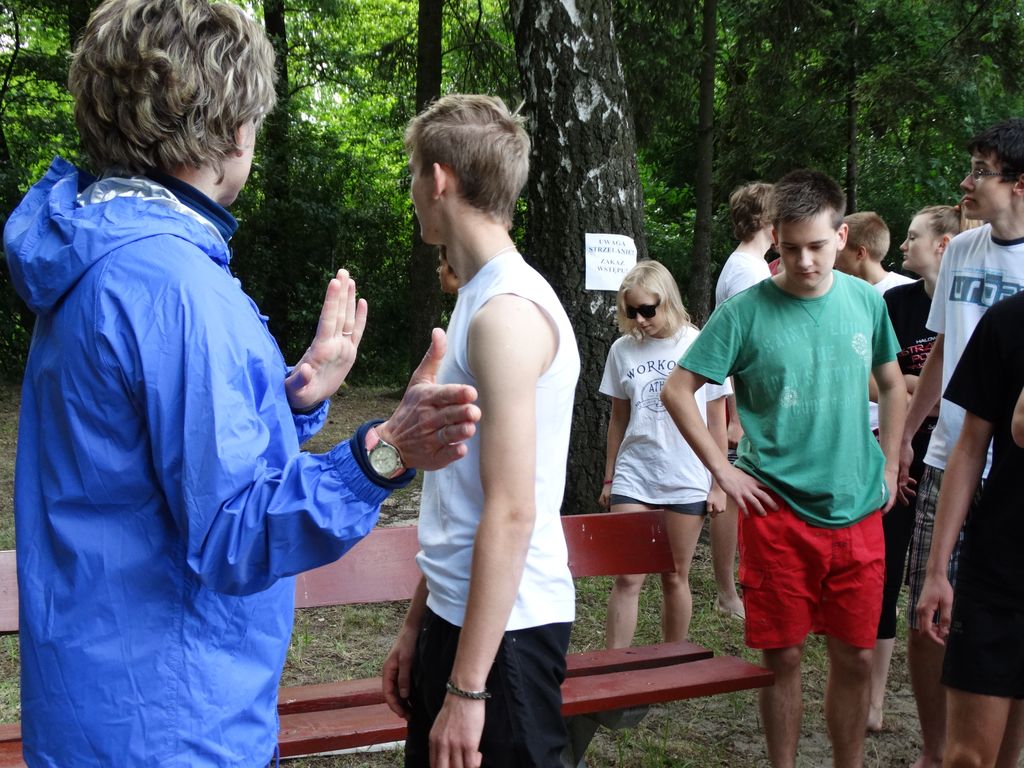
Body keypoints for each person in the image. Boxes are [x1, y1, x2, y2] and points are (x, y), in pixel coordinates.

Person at [2, 1, 481, 765]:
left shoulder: (100, 254)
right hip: (172, 725)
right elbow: (233, 530)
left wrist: (295, 398)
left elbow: (147, 461)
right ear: (231, 127)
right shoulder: (175, 286)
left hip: (101, 710)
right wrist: (385, 453)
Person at [662, 169, 906, 768]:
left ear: (842, 236)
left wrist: (890, 465)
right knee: (785, 657)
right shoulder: (744, 313)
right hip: (777, 513)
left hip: (857, 510)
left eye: (817, 246)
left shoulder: (865, 302)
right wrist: (723, 469)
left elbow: (893, 385)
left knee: (856, 655)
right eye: (790, 247)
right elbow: (677, 389)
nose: (803, 261)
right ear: (774, 237)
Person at [381, 94, 580, 768]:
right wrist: (418, 624)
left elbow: (514, 509)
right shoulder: (477, 298)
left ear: (439, 178)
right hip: (461, 618)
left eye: (414, 173)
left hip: (507, 636)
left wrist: (469, 689)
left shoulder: (507, 314)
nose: (413, 190)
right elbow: (460, 497)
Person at [898, 118, 1024, 768]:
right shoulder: (964, 249)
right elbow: (944, 349)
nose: (965, 183)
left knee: (1000, 615)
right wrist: (907, 436)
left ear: (1020, 184)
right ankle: (933, 747)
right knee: (929, 606)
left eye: (981, 171)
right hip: (953, 454)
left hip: (1014, 471)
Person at [915, 291, 1024, 768]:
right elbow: (971, 446)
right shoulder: (1007, 321)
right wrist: (937, 570)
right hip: (998, 566)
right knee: (969, 758)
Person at [598, 260, 730, 648]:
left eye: (647, 309)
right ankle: (615, 669)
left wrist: (718, 483)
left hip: (686, 474)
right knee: (628, 576)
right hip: (634, 473)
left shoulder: (700, 343)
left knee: (674, 575)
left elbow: (717, 420)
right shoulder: (622, 350)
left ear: (667, 300)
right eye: (631, 312)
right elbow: (618, 420)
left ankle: (671, 664)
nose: (639, 320)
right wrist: (609, 477)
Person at [867, 205, 959, 732]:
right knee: (883, 572)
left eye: (913, 237)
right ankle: (875, 698)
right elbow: (870, 380)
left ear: (943, 245)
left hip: (953, 456)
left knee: (939, 581)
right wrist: (913, 390)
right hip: (896, 452)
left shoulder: (969, 302)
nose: (903, 246)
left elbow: (966, 387)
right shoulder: (895, 303)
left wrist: (901, 384)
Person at [710, 181, 775, 619]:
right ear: (768, 218)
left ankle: (743, 585)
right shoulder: (747, 272)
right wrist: (735, 416)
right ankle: (727, 592)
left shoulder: (752, 266)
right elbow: (735, 351)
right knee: (731, 492)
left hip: (750, 401)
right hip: (743, 404)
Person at [835, 211, 916, 293]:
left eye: (837, 250)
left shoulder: (912, 291)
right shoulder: (837, 290)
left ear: (860, 253)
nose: (832, 256)